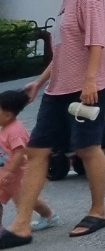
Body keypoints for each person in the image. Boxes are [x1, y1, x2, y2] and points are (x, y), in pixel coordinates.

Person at [1, 0, 105, 244]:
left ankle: (98, 211)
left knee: (87, 147)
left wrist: (90, 81)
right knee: (36, 150)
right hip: (59, 87)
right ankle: (21, 225)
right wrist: (40, 82)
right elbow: (65, 50)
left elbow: (97, 40)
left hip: (90, 85)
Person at [0, 91, 56, 237]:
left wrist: (9, 171)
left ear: (8, 115)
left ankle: (48, 215)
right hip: (6, 175)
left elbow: (19, 152)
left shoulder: (15, 130)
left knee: (26, 201)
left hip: (17, 175)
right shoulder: (4, 127)